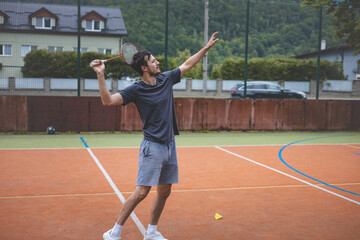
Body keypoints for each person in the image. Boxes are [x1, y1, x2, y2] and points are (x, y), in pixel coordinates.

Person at [91, 32, 219, 240]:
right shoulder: (136, 90)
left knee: (164, 191)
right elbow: (107, 101)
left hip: (170, 145)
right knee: (142, 192)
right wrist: (100, 74)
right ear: (144, 68)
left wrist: (205, 49)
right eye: (153, 60)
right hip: (153, 147)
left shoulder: (165, 79)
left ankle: (151, 232)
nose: (157, 62)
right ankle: (114, 232)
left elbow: (187, 65)